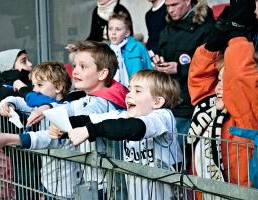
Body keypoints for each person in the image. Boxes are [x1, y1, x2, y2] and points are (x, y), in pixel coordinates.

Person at [0, 41, 128, 199]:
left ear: (102, 74)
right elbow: (65, 107)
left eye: (83, 66)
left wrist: (11, 139)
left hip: (102, 186)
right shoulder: (88, 98)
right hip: (92, 182)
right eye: (75, 65)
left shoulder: (99, 103)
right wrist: (46, 106)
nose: (75, 71)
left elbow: (58, 132)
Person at [50, 70, 183, 200]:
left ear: (157, 102)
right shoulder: (126, 114)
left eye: (137, 91)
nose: (129, 95)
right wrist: (65, 126)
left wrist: (89, 131)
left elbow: (134, 127)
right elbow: (94, 119)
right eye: (129, 89)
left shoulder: (163, 116)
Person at [188, 0, 257, 196]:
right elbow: (199, 78)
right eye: (219, 80)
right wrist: (213, 43)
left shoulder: (246, 118)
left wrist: (238, 35)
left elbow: (240, 78)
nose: (219, 87)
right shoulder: (210, 108)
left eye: (226, 82)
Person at [151, 0, 214, 142]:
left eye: (174, 5)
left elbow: (212, 66)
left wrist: (180, 68)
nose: (170, 10)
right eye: (167, 6)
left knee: (179, 154)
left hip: (191, 105)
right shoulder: (168, 27)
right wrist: (159, 61)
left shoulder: (207, 28)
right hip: (169, 101)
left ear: (187, 2)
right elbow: (163, 51)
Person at [0, 61, 72, 116]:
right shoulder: (38, 105)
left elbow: (53, 104)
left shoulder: (66, 106)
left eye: (40, 85)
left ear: (58, 87)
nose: (34, 90)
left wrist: (23, 89)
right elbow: (19, 101)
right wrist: (8, 103)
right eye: (33, 85)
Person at [108, 12, 153, 87]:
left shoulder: (138, 47)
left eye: (118, 29)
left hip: (136, 90)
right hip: (114, 92)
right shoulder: (107, 51)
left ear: (127, 32)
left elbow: (149, 69)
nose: (113, 33)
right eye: (110, 29)